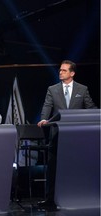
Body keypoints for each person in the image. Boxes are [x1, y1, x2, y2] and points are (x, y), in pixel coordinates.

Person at [37, 60, 97, 210]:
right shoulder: (52, 89)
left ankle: (79, 195)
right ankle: (49, 199)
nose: (60, 72)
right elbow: (47, 106)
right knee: (53, 167)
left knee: (77, 166)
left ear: (72, 73)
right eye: (60, 70)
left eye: (64, 70)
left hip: (77, 136)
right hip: (57, 134)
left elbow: (90, 108)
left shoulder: (82, 89)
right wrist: (43, 118)